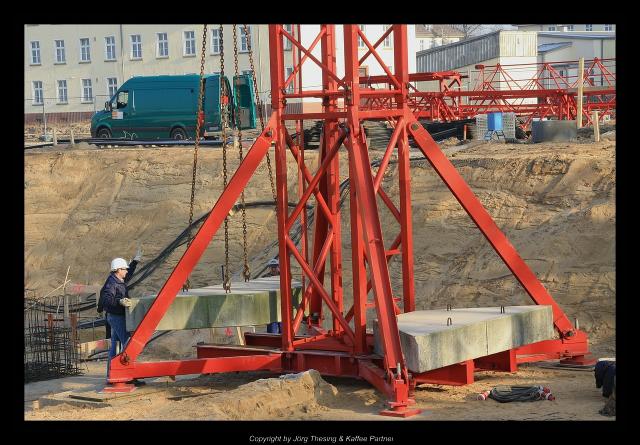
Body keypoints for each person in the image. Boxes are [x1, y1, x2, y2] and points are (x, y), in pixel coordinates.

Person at [100, 247, 143, 385]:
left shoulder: (117, 279)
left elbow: (128, 275)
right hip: (116, 317)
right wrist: (119, 301)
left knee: (115, 346)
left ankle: (111, 375)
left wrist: (134, 262)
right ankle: (128, 374)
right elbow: (106, 300)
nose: (126, 271)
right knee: (128, 344)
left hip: (114, 316)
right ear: (118, 270)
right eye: (124, 269)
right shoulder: (112, 283)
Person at [263, 258, 281, 334]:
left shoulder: (284, 276)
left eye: (275, 267)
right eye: (272, 267)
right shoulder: (265, 278)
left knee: (283, 328)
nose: (273, 269)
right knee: (272, 329)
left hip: (281, 305)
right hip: (270, 306)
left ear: (278, 267)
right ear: (269, 268)